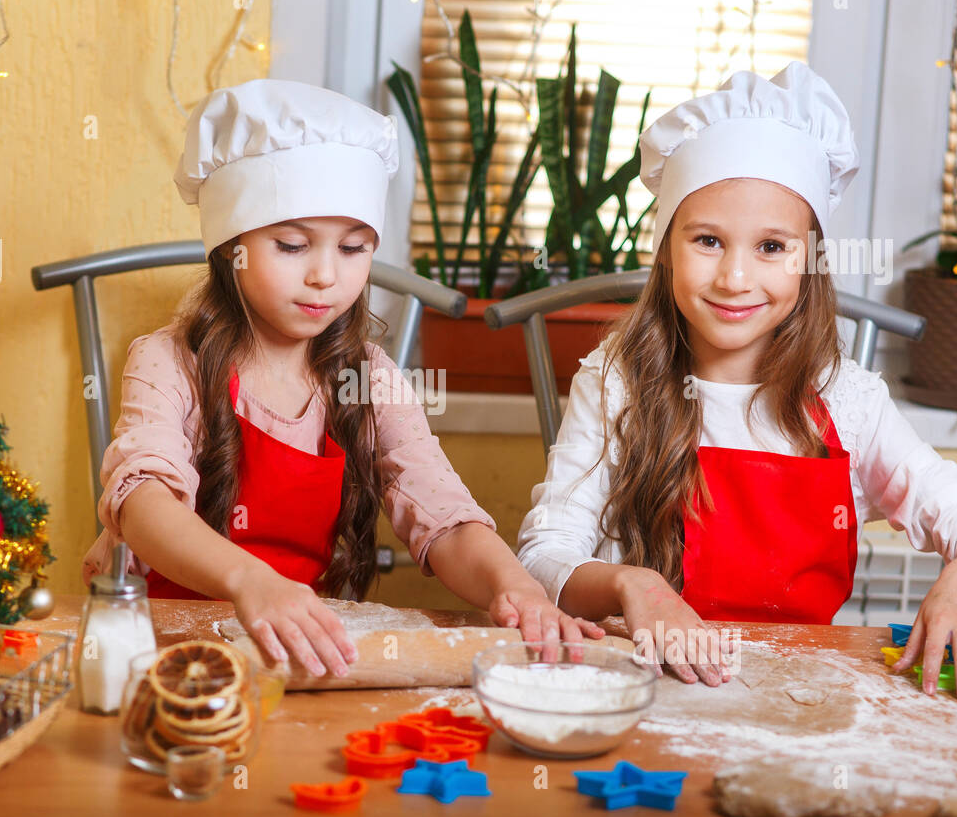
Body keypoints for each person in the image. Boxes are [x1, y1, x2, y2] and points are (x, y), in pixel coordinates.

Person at [516, 62, 957, 700]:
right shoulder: (614, 383)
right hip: (644, 687)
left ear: (809, 260)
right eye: (707, 240)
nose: (735, 278)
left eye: (771, 247)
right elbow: (544, 555)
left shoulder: (850, 402)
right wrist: (633, 585)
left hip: (799, 694)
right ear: (666, 248)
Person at [83, 79, 604, 678]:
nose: (325, 275)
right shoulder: (168, 361)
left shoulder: (368, 379)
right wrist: (252, 582)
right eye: (291, 245)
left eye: (354, 248)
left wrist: (513, 587)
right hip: (171, 658)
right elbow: (145, 503)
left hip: (305, 656)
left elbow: (445, 517)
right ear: (231, 247)